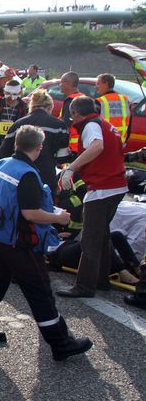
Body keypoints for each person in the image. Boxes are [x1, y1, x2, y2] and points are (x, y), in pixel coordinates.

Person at [0, 125, 93, 362]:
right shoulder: (27, 174)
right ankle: (60, 342)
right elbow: (30, 214)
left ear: (16, 144)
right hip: (16, 242)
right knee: (40, 290)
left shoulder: (4, 164)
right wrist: (58, 218)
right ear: (39, 148)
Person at [56, 96, 128, 298]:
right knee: (101, 235)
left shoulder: (91, 126)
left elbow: (97, 147)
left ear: (75, 113)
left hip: (103, 187)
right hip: (116, 185)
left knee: (90, 240)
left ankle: (84, 286)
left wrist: (71, 168)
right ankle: (101, 280)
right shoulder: (104, 123)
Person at [0, 89, 69, 192]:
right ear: (49, 108)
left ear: (31, 107)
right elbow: (62, 158)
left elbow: (4, 151)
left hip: (19, 175)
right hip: (47, 176)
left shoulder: (18, 124)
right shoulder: (59, 126)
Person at [95, 72, 131, 145]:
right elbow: (130, 124)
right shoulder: (125, 100)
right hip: (120, 142)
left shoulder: (100, 102)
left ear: (106, 84)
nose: (96, 86)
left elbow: (94, 126)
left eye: (98, 83)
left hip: (105, 142)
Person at [59, 71, 85, 156]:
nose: (60, 85)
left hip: (73, 148)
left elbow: (66, 126)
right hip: (84, 145)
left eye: (61, 82)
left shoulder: (71, 101)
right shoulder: (84, 98)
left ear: (67, 83)